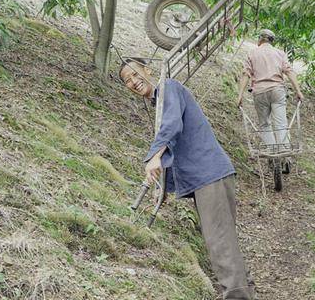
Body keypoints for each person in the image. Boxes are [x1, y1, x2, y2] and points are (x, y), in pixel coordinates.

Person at [119, 58, 254, 300]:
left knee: (219, 241)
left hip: (209, 174)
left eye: (136, 74)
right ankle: (243, 291)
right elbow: (175, 143)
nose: (134, 82)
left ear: (147, 70)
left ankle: (238, 296)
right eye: (127, 81)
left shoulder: (169, 87)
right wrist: (163, 189)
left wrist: (154, 157)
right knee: (223, 238)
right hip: (207, 176)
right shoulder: (159, 102)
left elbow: (172, 127)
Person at [237, 29, 304, 153]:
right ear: (272, 41)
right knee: (281, 124)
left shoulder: (252, 54)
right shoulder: (279, 53)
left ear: (260, 39)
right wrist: (298, 91)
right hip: (277, 91)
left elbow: (245, 74)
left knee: (264, 125)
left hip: (260, 92)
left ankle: (272, 153)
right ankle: (284, 154)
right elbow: (289, 71)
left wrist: (240, 95)